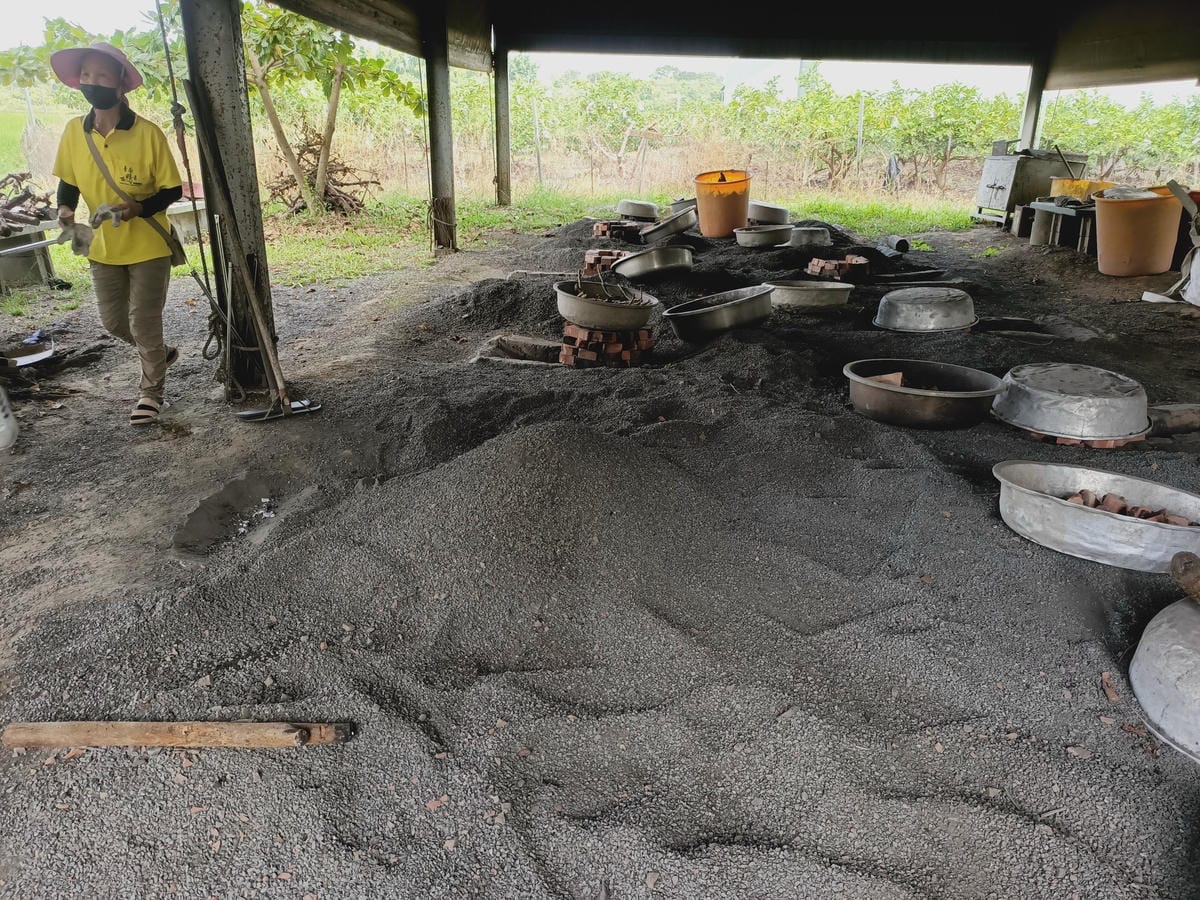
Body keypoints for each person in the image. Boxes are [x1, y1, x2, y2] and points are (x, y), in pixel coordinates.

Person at [51, 42, 184, 425]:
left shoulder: (148, 134)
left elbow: (172, 190)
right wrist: (65, 210)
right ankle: (159, 353)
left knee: (143, 320)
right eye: (86, 75)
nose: (92, 82)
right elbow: (68, 182)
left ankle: (151, 394)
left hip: (148, 243)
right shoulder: (74, 132)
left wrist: (137, 208)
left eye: (101, 76)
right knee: (113, 322)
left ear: (120, 83)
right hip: (102, 246)